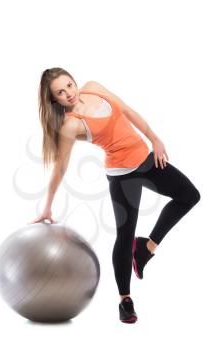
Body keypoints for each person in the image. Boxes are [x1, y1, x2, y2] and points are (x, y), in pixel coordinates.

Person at [29, 67, 201, 324]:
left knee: (190, 196)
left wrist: (155, 139)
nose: (68, 93)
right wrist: (47, 207)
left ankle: (146, 248)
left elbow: (129, 111)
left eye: (69, 85)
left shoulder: (94, 87)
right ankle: (125, 300)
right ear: (54, 100)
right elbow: (60, 168)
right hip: (122, 176)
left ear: (75, 81)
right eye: (60, 93)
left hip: (147, 159)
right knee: (125, 234)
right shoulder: (71, 124)